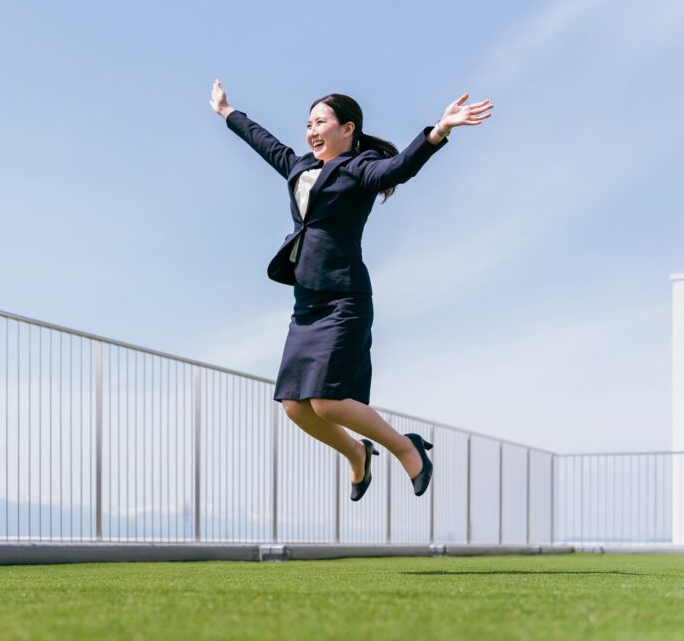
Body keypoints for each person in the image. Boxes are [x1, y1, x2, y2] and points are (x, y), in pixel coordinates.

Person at [210, 80, 492, 500]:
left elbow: (400, 168)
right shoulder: (299, 166)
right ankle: (357, 453)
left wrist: (439, 130)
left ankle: (405, 447)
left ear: (347, 129)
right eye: (308, 123)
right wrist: (227, 112)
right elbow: (263, 142)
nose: (311, 130)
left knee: (327, 401)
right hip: (306, 299)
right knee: (294, 405)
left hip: (344, 298)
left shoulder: (361, 169)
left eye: (321, 121)